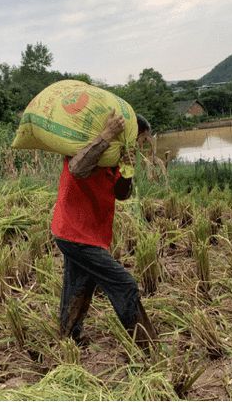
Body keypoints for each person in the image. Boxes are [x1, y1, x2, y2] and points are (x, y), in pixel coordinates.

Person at [51, 111, 157, 351]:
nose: (138, 146)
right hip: (74, 232)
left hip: (92, 234)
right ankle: (149, 347)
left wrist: (128, 168)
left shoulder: (115, 157)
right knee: (125, 284)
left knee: (79, 285)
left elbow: (121, 194)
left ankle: (68, 340)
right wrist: (107, 135)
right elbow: (77, 169)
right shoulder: (87, 145)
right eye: (137, 140)